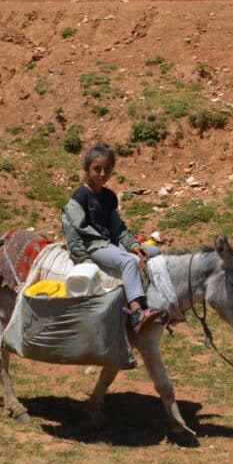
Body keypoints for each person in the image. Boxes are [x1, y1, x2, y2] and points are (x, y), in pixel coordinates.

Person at [61, 143, 162, 334]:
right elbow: (72, 229)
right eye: (97, 169)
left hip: (113, 243)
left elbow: (118, 228)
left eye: (107, 170)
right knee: (127, 263)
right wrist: (83, 259)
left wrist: (133, 245)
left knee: (154, 252)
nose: (102, 174)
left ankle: (155, 298)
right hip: (95, 246)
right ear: (86, 169)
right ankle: (136, 313)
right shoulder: (80, 197)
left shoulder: (108, 197)